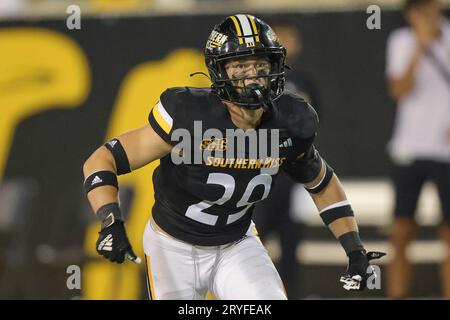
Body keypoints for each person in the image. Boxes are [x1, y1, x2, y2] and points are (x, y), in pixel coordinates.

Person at [83, 14, 383, 300]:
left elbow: (322, 182)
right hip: (172, 247)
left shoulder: (289, 120)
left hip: (236, 243)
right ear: (220, 70)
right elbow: (100, 160)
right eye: (240, 66)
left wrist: (354, 247)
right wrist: (110, 220)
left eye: (260, 64)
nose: (252, 76)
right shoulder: (187, 114)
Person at [252, 19, 322, 299]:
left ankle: (290, 293)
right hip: (259, 172)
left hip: (291, 175)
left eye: (289, 37)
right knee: (254, 243)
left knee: (291, 242)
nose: (284, 43)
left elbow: (313, 123)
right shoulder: (254, 79)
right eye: (279, 37)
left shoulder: (304, 81)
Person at [386, 0, 450, 298]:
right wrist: (420, 47)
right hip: (409, 149)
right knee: (401, 230)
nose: (430, 16)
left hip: (446, 153)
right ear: (411, 15)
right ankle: (397, 294)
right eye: (422, 11)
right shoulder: (401, 41)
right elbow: (400, 89)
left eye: (433, 9)